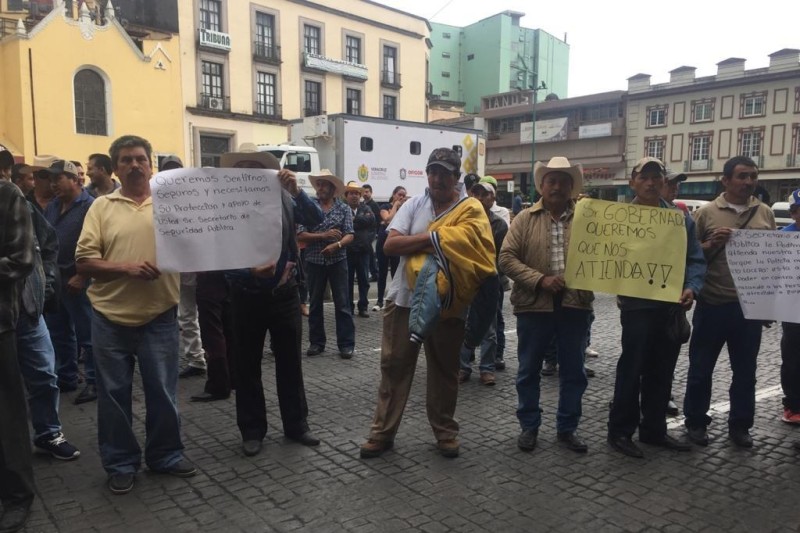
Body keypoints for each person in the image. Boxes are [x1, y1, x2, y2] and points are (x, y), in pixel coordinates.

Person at [76, 135, 195, 495]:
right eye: (126, 160)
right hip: (110, 317)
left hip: (160, 314)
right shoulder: (100, 207)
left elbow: (203, 241)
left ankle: (166, 455)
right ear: (115, 167)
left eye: (140, 159)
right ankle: (120, 463)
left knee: (163, 391)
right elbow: (84, 262)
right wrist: (126, 268)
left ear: (150, 165)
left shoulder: (173, 203)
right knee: (113, 396)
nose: (134, 165)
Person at [360, 147, 496, 459]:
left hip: (449, 303)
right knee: (393, 368)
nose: (437, 178)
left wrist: (422, 241)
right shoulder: (413, 204)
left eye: (444, 172)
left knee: (445, 371)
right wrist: (436, 240)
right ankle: (382, 434)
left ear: (456, 177)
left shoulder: (471, 209)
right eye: (432, 171)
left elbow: (480, 253)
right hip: (404, 299)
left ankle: (445, 433)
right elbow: (390, 245)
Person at [221, 145, 322, 456]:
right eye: (244, 166)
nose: (251, 171)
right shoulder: (227, 204)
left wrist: (298, 191)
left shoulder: (283, 196)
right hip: (245, 296)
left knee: (290, 363)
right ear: (236, 172)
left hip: (284, 294)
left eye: (256, 166)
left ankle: (297, 425)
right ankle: (252, 430)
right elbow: (216, 252)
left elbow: (315, 219)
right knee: (246, 365)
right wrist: (247, 270)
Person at [606, 157, 705, 458]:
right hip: (636, 307)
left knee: (662, 371)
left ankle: (653, 430)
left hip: (669, 308)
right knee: (631, 369)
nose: (650, 182)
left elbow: (695, 259)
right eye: (644, 177)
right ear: (632, 182)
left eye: (656, 177)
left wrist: (691, 287)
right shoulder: (617, 217)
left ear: (664, 182)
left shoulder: (679, 219)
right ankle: (620, 432)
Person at [499, 156, 594, 454]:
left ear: (571, 188)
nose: (556, 187)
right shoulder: (524, 219)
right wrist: (540, 280)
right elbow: (506, 259)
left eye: (563, 182)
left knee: (574, 371)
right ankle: (529, 426)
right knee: (528, 369)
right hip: (533, 305)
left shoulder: (587, 220)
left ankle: (568, 428)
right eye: (551, 181)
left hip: (575, 305)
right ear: (541, 185)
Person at [683, 156, 776, 448]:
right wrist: (712, 244)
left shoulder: (766, 213)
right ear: (725, 180)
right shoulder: (707, 213)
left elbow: (774, 261)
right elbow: (689, 256)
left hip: (748, 309)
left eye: (752, 176)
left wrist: (770, 304)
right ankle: (696, 422)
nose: (748, 182)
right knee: (700, 369)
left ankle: (740, 426)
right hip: (712, 304)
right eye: (742, 176)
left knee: (746, 372)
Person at [42, 160, 97, 402]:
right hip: (55, 280)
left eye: (58, 179)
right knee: (60, 332)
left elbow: (98, 245)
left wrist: (82, 275)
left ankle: (95, 381)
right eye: (51, 180)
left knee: (89, 335)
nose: (53, 184)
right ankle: (67, 377)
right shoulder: (53, 206)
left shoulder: (90, 206)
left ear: (75, 180)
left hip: (79, 281)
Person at [0, 176, 36, 533]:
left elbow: (21, 259)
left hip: (0, 325)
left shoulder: (7, 195)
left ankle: (17, 496)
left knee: (7, 415)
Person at [297, 170, 356, 359]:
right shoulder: (307, 207)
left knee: (342, 303)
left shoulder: (344, 208)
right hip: (313, 261)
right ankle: (316, 343)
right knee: (315, 304)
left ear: (332, 189)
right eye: (318, 184)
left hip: (338, 260)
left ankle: (346, 344)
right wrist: (324, 236)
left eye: (324, 184)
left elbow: (350, 234)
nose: (320, 188)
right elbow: (300, 235)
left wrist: (336, 244)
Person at [160, 155, 208, 380]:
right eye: (169, 170)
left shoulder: (197, 195)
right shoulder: (158, 198)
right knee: (187, 315)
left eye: (176, 170)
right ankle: (196, 359)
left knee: (208, 315)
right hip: (177, 266)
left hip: (202, 265)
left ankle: (215, 357)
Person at [459, 181, 508, 386]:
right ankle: (462, 366)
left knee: (489, 326)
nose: (479, 197)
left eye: (484, 194)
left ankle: (487, 368)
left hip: (489, 280)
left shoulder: (499, 225)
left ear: (493, 199)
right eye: (476, 193)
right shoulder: (462, 220)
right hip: (466, 280)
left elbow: (500, 256)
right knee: (464, 323)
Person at [779, 190, 800, 425]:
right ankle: (792, 404)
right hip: (793, 313)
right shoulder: (783, 238)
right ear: (794, 213)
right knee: (793, 359)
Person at [344, 181, 376, 318]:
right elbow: (344, 224)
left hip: (363, 251)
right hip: (347, 251)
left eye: (357, 193)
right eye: (352, 193)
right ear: (346, 195)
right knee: (348, 281)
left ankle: (363, 307)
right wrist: (359, 221)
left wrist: (353, 220)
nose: (355, 196)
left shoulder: (366, 208)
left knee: (364, 281)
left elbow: (370, 221)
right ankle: (349, 307)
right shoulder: (343, 209)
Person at [373, 186, 407, 311]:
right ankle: (379, 300)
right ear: (394, 195)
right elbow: (387, 219)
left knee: (395, 272)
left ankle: (394, 299)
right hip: (383, 242)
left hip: (396, 245)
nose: (401, 198)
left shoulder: (405, 210)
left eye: (404, 195)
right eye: (399, 194)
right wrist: (395, 206)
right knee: (382, 272)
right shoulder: (385, 207)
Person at [361, 184, 381, 281]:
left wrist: (375, 233)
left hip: (371, 233)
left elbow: (376, 220)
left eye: (367, 192)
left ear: (371, 192)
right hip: (364, 232)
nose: (365, 194)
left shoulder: (374, 205)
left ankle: (374, 273)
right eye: (363, 192)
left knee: (369, 253)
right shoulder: (363, 204)